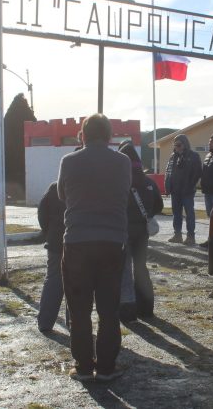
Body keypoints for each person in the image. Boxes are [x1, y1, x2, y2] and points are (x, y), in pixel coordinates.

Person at [57, 113, 131, 382]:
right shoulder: (123, 162)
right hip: (112, 241)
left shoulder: (69, 161)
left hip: (77, 241)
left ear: (83, 135)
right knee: (109, 308)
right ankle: (107, 367)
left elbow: (61, 195)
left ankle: (84, 367)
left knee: (79, 308)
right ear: (110, 135)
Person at [118, 141, 163, 321]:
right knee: (141, 268)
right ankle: (146, 308)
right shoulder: (148, 181)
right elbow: (159, 205)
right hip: (142, 232)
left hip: (125, 230)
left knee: (125, 270)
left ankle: (128, 310)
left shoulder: (121, 182)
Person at [36, 181, 67, 333]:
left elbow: (42, 212)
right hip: (78, 242)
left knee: (54, 279)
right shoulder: (86, 186)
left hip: (55, 240)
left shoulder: (54, 187)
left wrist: (48, 231)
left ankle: (45, 322)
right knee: (77, 281)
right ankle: (75, 322)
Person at [164, 134, 202, 246]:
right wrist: (167, 187)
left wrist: (190, 186)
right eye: (175, 145)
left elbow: (198, 172)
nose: (177, 147)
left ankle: (191, 236)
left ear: (185, 144)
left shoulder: (194, 156)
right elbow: (168, 172)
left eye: (179, 145)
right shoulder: (172, 157)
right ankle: (177, 235)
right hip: (175, 191)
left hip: (187, 191)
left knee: (189, 214)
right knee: (176, 214)